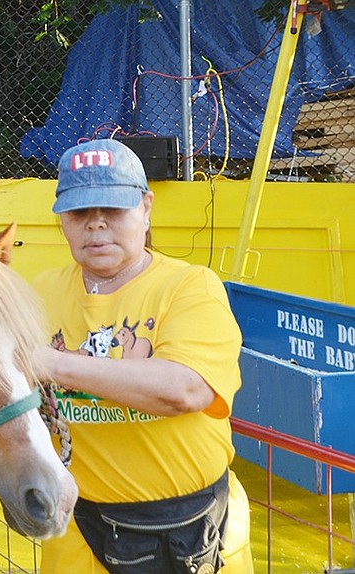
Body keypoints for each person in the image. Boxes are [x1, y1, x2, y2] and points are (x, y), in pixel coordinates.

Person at [33, 138, 253, 573]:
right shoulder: (41, 292)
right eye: (80, 213)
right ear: (62, 221)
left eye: (112, 210)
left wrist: (54, 363)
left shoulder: (191, 287)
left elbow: (185, 389)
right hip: (82, 529)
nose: (96, 226)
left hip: (189, 529)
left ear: (146, 207)